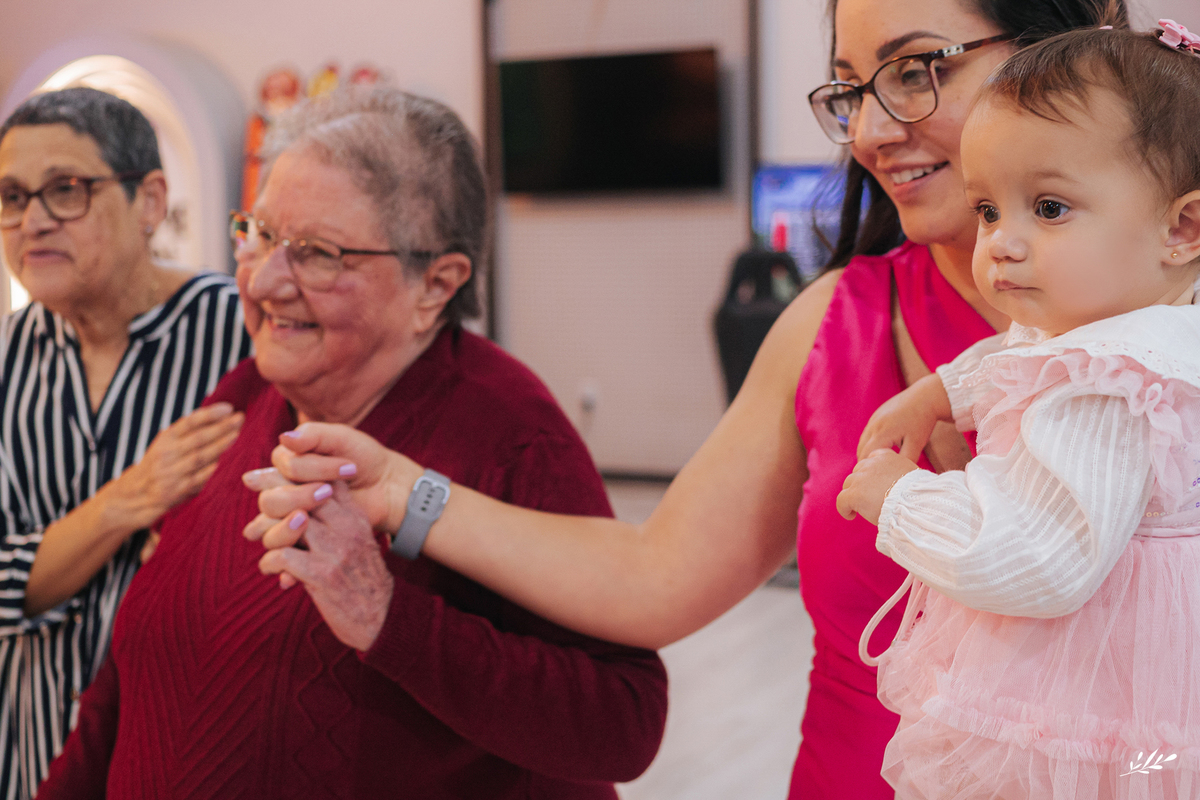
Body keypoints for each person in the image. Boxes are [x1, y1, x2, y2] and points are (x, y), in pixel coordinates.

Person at [241, 1, 1125, 797]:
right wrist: (403, 490)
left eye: (916, 70)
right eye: (853, 90)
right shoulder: (836, 321)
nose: (870, 131)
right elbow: (655, 574)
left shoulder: (1163, 339)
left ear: (1064, 44)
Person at [38, 85, 667, 799]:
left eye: (316, 253)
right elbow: (131, 678)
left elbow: (625, 717)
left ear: (435, 286)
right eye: (259, 234)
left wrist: (387, 617)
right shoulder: (245, 395)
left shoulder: (512, 439)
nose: (264, 280)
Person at [835, 21, 1200, 798]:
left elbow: (1039, 558)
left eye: (1049, 207)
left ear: (1182, 227)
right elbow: (1027, 350)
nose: (1000, 242)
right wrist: (944, 391)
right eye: (989, 210)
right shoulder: (1143, 329)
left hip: (1085, 704)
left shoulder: (1108, 390)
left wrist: (901, 498)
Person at [0, 87, 250, 798]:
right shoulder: (7, 356)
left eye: (66, 190)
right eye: (12, 197)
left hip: (191, 756)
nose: (33, 221)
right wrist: (130, 501)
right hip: (30, 756)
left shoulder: (244, 337)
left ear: (150, 202)